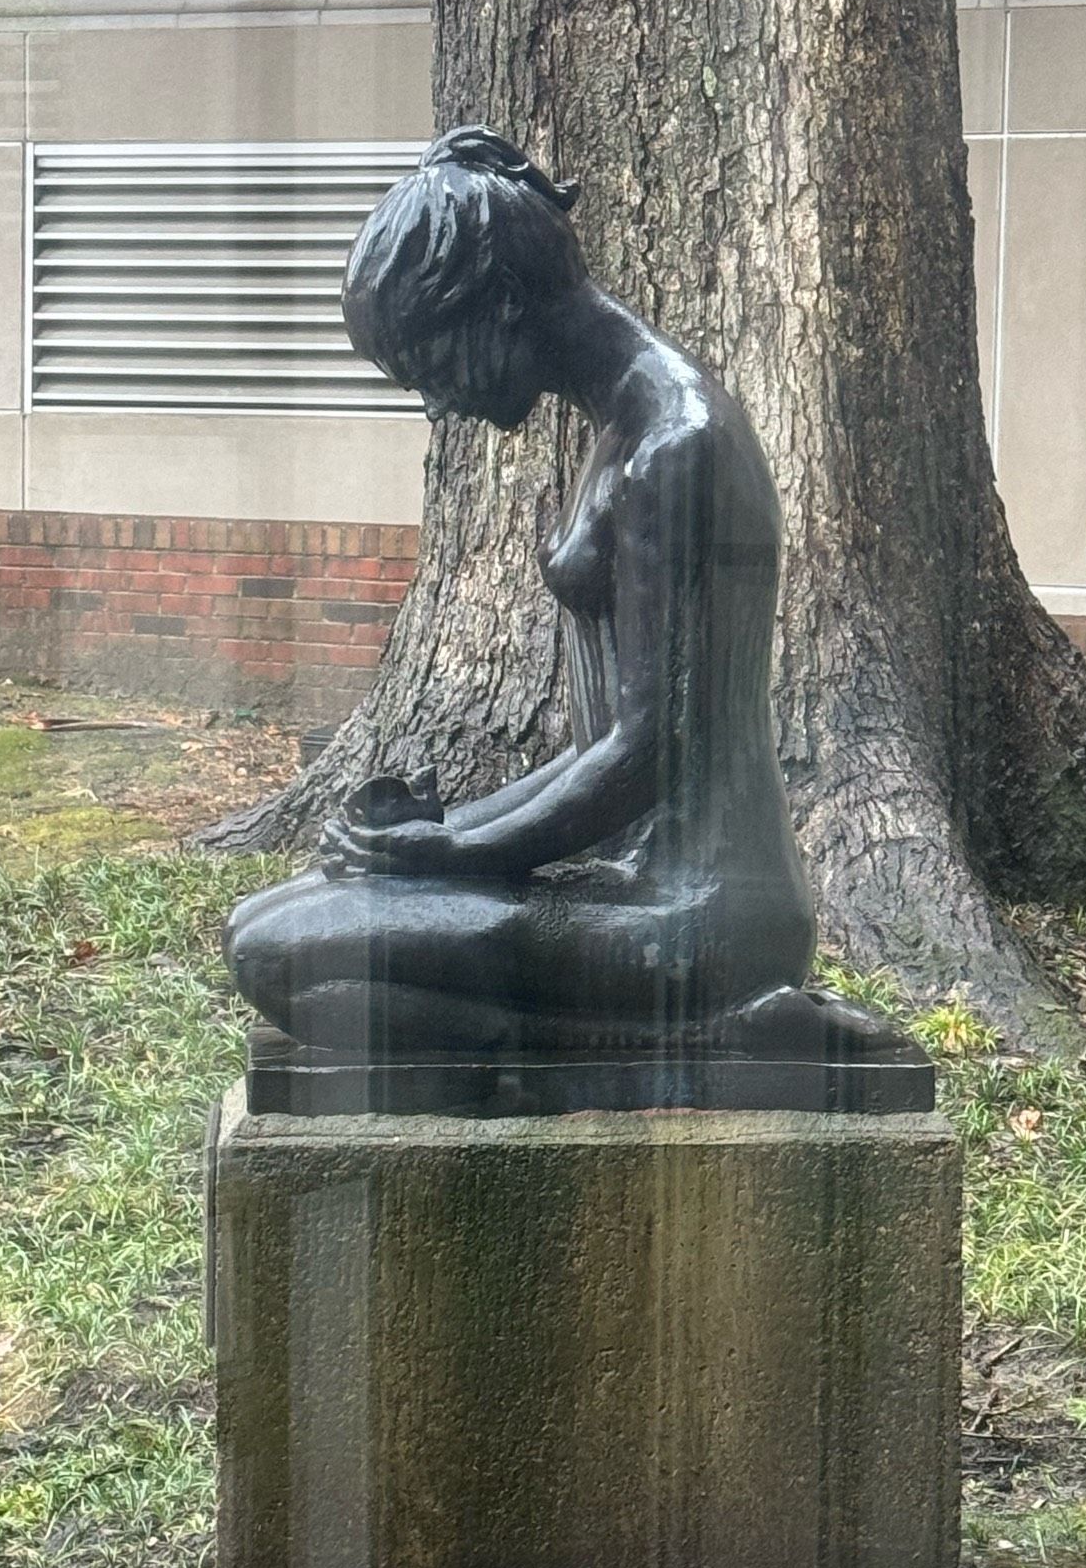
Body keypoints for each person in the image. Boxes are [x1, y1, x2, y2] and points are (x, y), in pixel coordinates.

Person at [224, 126, 903, 1065]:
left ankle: (710, 1034)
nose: (436, 404)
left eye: (430, 364)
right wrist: (439, 835)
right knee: (277, 915)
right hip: (634, 876)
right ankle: (684, 1035)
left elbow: (647, 752)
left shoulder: (679, 448)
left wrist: (456, 857)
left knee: (276, 952)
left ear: (498, 306)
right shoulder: (628, 420)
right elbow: (604, 747)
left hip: (701, 910)